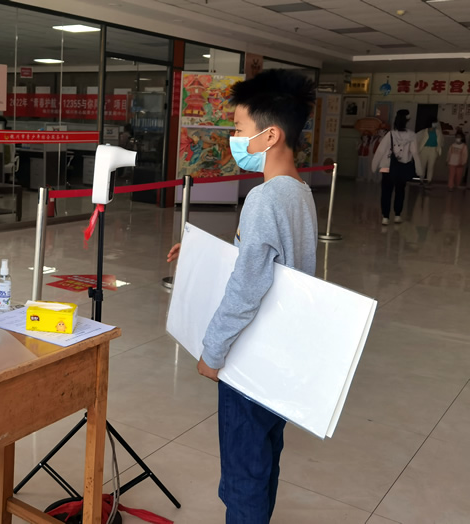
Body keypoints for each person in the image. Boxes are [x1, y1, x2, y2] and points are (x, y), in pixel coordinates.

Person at [167, 69, 317, 523]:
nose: (235, 138)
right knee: (264, 461)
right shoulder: (298, 192)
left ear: (270, 135)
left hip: (250, 360)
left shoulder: (264, 200)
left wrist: (213, 352)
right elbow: (267, 262)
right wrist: (201, 252)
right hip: (280, 359)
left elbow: (248, 287)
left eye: (239, 129)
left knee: (242, 478)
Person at [371, 110, 422, 225]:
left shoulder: (390, 134)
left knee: (386, 192)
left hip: (386, 166)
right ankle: (397, 215)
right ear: (407, 120)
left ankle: (385, 217)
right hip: (402, 168)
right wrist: (419, 169)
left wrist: (374, 166)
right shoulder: (412, 136)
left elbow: (380, 151)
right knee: (400, 191)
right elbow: (415, 153)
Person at [417, 120, 443, 186]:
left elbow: (440, 142)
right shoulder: (423, 131)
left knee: (431, 166)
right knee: (422, 165)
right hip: (424, 149)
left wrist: (439, 150)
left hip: (433, 150)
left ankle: (429, 180)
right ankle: (421, 179)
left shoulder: (438, 132)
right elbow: (417, 138)